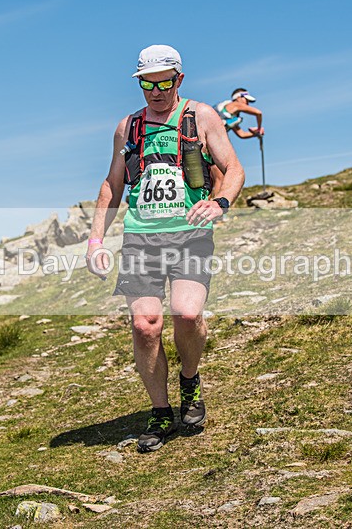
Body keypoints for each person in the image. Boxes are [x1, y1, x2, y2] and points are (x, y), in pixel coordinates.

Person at [86, 45, 245, 453]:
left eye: (164, 82)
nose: (156, 91)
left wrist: (220, 201)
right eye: (147, 84)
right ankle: (160, 410)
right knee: (145, 326)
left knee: (187, 314)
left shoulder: (201, 116)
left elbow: (233, 169)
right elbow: (113, 184)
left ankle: (189, 381)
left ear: (179, 79)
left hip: (190, 233)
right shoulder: (128, 127)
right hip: (142, 237)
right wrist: (96, 239)